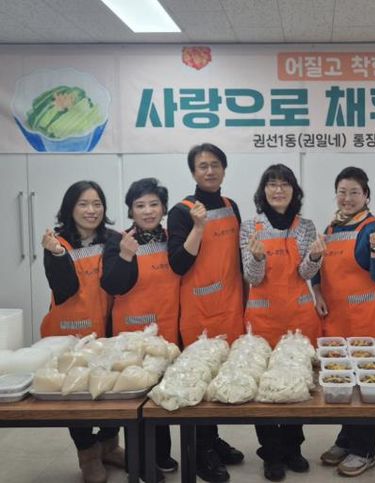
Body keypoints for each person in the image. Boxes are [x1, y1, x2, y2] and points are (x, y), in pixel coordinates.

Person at [240, 164, 325, 481]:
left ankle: (293, 448)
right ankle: (271, 452)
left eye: (284, 184)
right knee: (263, 388)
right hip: (262, 319)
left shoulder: (306, 226)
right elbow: (252, 278)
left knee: (297, 384)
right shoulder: (250, 227)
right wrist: (257, 258)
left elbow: (304, 274)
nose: (278, 190)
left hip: (299, 318)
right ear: (263, 191)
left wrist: (315, 257)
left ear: (294, 191)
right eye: (272, 184)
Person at [167, 144, 245, 482]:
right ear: (193, 172)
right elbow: (178, 263)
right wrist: (198, 228)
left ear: (224, 169)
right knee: (198, 380)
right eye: (202, 166)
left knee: (221, 377)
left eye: (215, 165)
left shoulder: (231, 206)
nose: (210, 171)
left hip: (231, 306)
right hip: (199, 311)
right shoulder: (182, 212)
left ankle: (212, 440)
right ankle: (199, 452)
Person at [40, 180, 124, 483]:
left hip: (106, 330)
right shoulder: (57, 242)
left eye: (97, 204)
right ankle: (87, 453)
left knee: (112, 391)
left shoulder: (113, 239)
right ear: (70, 208)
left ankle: (109, 445)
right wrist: (57, 254)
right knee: (74, 397)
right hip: (68, 335)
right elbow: (63, 288)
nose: (91, 210)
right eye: (83, 204)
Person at [313, 166, 375, 477]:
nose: (347, 198)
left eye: (354, 192)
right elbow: (318, 268)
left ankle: (364, 450)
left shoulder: (373, 228)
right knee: (343, 381)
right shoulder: (331, 228)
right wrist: (317, 291)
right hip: (335, 318)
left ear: (366, 196)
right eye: (342, 192)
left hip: (364, 320)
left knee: (364, 384)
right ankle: (346, 439)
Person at [100, 178, 178, 478]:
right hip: (131, 334)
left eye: (154, 204)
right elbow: (112, 284)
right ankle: (140, 461)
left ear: (163, 208)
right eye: (140, 205)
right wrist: (125, 255)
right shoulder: (118, 241)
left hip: (167, 330)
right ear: (131, 211)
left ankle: (162, 454)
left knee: (163, 394)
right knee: (135, 399)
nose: (148, 211)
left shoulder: (173, 239)